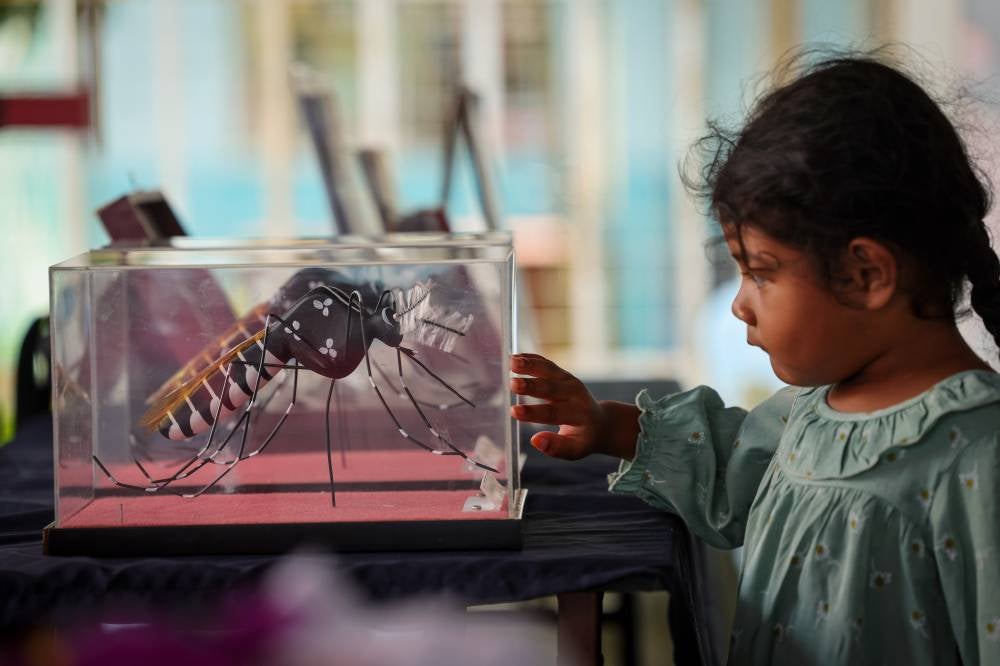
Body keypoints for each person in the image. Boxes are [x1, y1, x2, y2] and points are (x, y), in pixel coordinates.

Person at [510, 52, 1000, 665]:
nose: (741, 304)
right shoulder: (812, 411)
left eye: (761, 274)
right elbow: (733, 464)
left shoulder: (979, 454)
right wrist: (609, 426)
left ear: (866, 273)